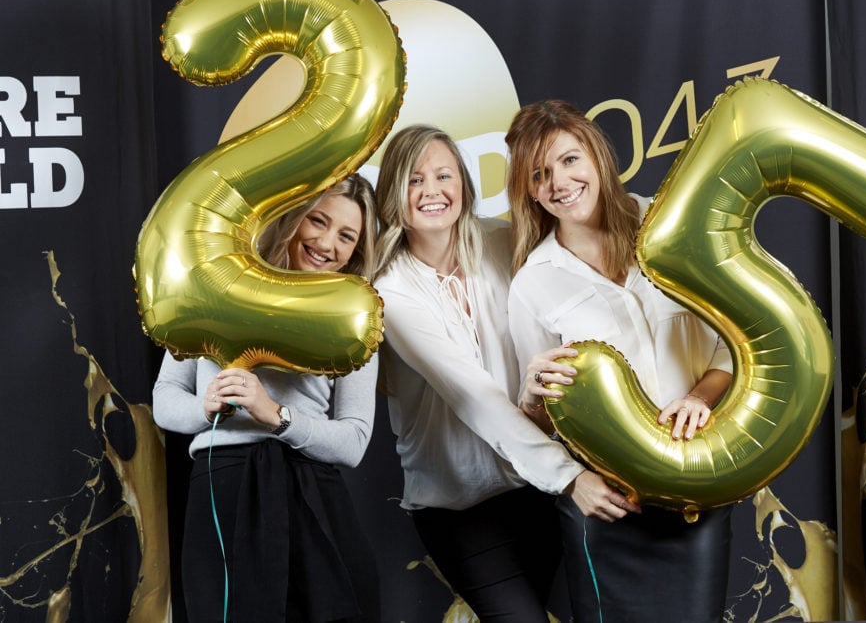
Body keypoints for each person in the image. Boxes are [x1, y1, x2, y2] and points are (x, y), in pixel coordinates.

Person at [372, 124, 636, 622]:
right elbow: (474, 396)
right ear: (393, 194)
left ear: (465, 186)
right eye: (415, 180)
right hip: (461, 508)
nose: (433, 191)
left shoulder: (505, 241)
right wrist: (570, 478)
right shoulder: (391, 291)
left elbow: (581, 242)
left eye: (444, 175)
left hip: (534, 492)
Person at [505, 100, 735, 623]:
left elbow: (728, 343)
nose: (558, 182)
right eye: (538, 175)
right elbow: (540, 421)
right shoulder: (533, 283)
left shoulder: (669, 225)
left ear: (597, 157)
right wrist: (532, 397)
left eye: (568, 160)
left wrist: (699, 398)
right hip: (607, 503)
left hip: (693, 487)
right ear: (529, 191)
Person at [153, 174, 381, 623]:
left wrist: (275, 414)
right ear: (293, 217)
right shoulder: (215, 289)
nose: (327, 243)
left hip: (309, 491)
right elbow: (164, 398)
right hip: (224, 485)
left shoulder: (356, 320)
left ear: (356, 251)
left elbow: (354, 441)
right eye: (319, 220)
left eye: (346, 236)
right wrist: (205, 406)